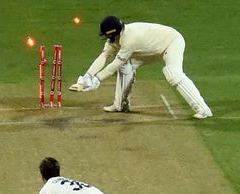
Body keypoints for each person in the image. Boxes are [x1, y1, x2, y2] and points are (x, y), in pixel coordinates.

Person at [68, 15, 213, 119]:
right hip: (148, 49)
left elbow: (114, 64)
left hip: (171, 42)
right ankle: (120, 105)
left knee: (173, 74)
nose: (106, 38)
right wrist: (87, 76)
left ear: (114, 33)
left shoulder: (130, 39)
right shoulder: (114, 38)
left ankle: (204, 110)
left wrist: (97, 80)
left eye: (107, 35)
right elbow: (104, 56)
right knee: (125, 66)